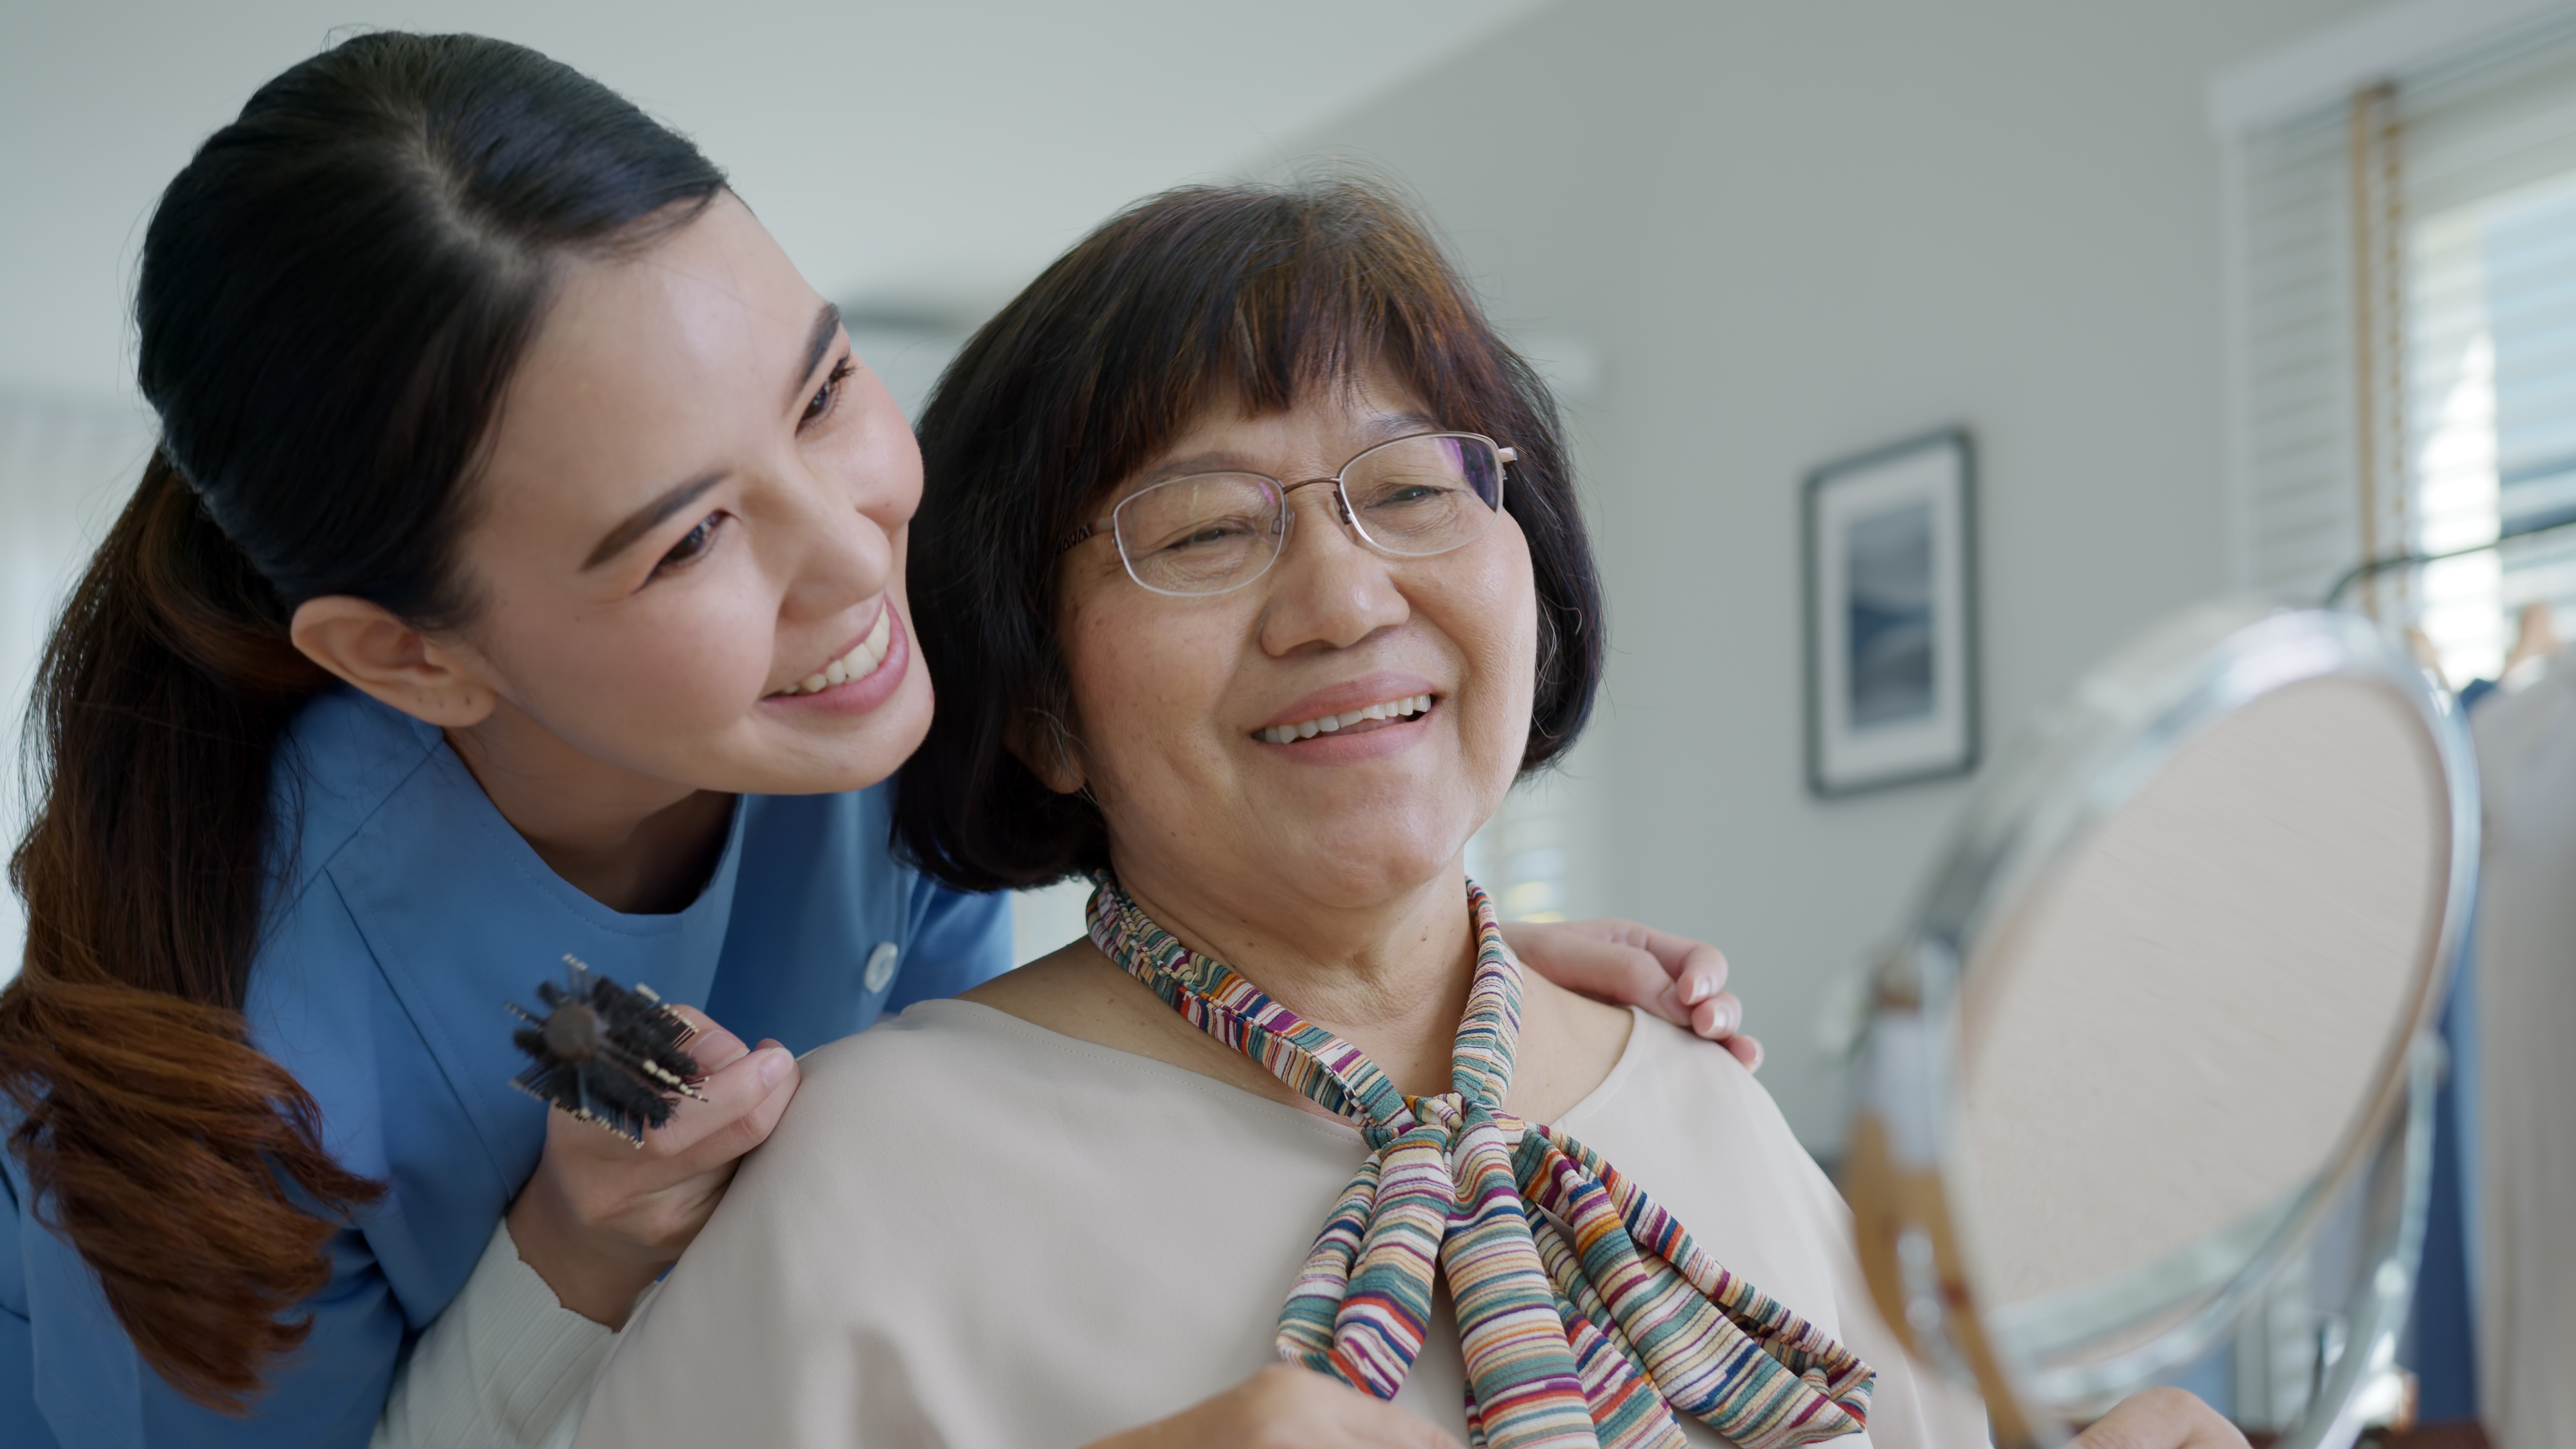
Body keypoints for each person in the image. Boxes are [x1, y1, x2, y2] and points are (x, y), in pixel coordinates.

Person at [0, 36, 1755, 1448]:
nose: (858, 560)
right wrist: (563, 1268)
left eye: (828, 389)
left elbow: (1041, 1037)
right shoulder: (227, 1055)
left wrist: (1425, 983)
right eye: (689, 537)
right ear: (411, 652)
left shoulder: (862, 741)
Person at [566, 181, 2251, 1449]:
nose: (1342, 595)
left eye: (1410, 488)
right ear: (1039, 710)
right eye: (1206, 531)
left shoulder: (1707, 1108)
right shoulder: (868, 1182)